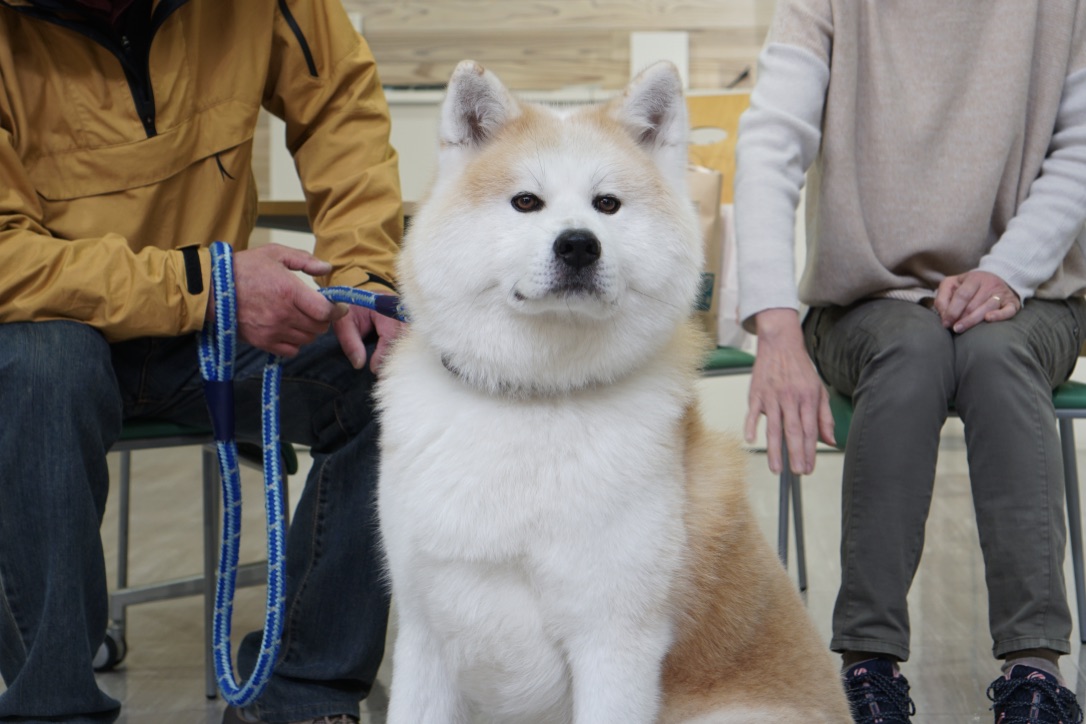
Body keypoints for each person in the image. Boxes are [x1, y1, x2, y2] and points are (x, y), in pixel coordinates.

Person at [0, 1, 403, 722]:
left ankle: (300, 693)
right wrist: (206, 285)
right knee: (38, 369)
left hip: (207, 330)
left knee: (387, 372)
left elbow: (340, 107)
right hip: (54, 328)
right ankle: (52, 706)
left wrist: (369, 274)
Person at [735, 1, 1086, 722]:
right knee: (912, 347)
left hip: (1033, 293)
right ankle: (868, 670)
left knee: (994, 356)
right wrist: (774, 328)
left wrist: (1008, 272)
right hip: (868, 301)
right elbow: (772, 143)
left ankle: (1036, 673)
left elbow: (1080, 148)